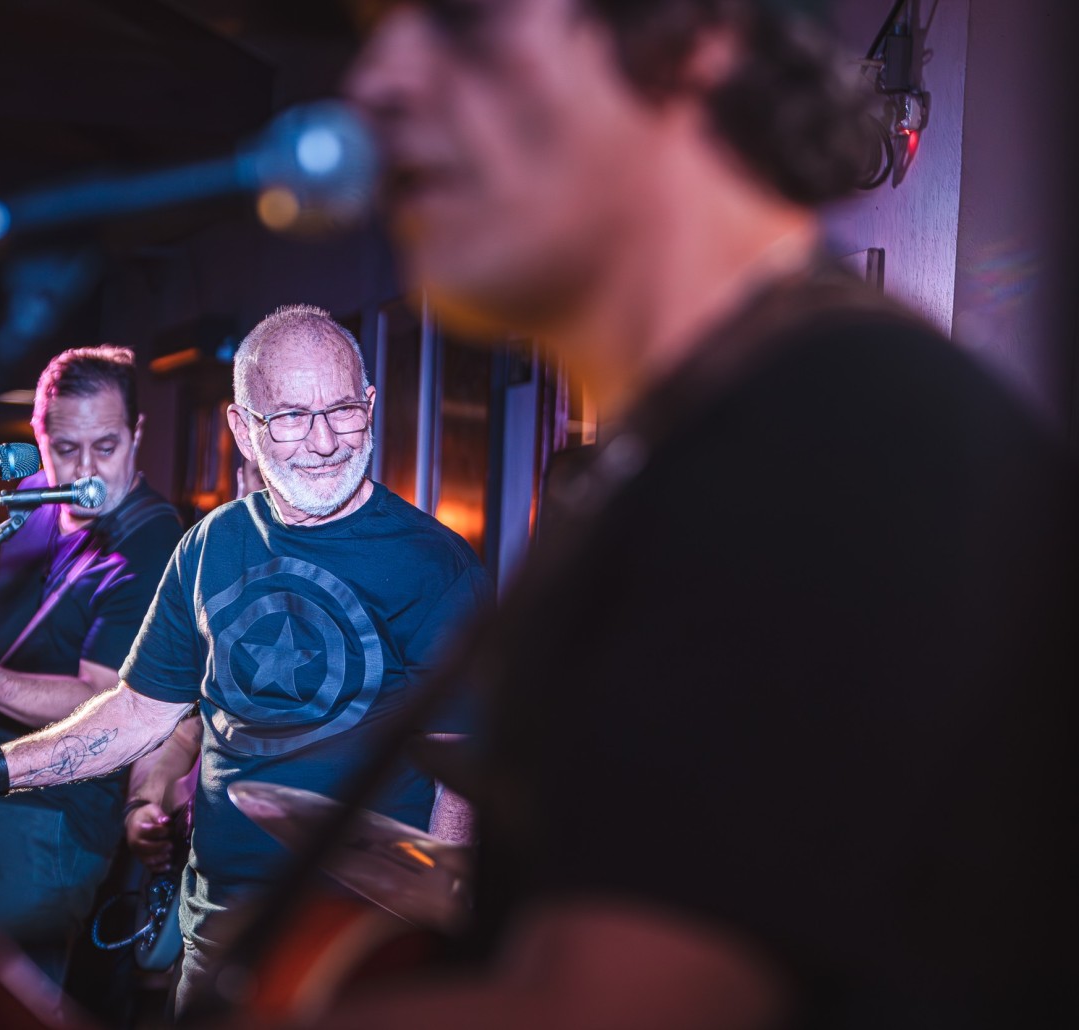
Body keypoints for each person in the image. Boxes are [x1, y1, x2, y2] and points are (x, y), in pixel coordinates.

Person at [327, 1, 1077, 1028]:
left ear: (690, 39)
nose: (374, 81)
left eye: (459, 18)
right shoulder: (701, 450)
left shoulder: (835, 443)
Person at [0, 305, 493, 1015]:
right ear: (242, 429)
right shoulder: (208, 546)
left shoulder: (435, 565)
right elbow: (136, 711)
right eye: (291, 417)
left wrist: (433, 931)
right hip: (219, 931)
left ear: (370, 405)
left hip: (356, 946)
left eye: (343, 410)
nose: (323, 441)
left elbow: (462, 769)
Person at [0, 344, 183, 985]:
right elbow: (5, 630)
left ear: (137, 434)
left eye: (107, 446)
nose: (86, 470)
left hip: (49, 820)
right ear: (37, 437)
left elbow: (104, 699)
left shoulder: (153, 542)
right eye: (65, 449)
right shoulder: (32, 500)